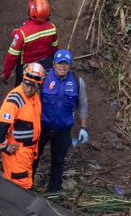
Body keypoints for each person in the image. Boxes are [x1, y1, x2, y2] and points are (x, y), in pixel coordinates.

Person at [35, 49, 90, 193]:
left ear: (70, 65)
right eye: (60, 63)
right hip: (43, 127)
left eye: (66, 63)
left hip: (63, 130)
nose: (63, 66)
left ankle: (53, 192)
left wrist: (84, 128)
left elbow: (83, 105)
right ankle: (26, 186)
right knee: (33, 156)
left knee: (58, 162)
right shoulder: (43, 78)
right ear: (54, 64)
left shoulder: (78, 82)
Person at [0, 63, 45, 190]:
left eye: (33, 85)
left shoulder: (35, 98)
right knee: (19, 187)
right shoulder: (14, 100)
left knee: (22, 183)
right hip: (17, 153)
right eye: (26, 83)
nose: (29, 88)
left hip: (28, 152)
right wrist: (5, 146)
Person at [1, 0, 58, 82]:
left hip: (26, 69)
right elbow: (55, 49)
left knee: (22, 92)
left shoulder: (22, 33)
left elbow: (12, 56)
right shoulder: (52, 28)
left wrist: (6, 74)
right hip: (46, 66)